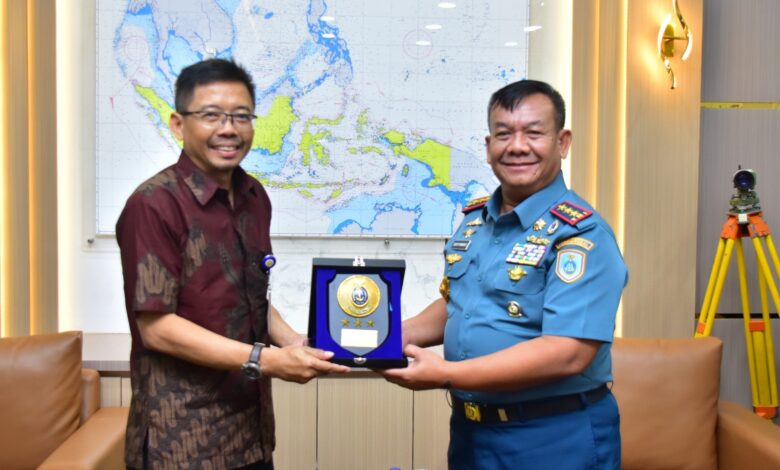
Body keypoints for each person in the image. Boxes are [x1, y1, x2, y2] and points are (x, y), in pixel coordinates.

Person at [116, 58, 349, 470]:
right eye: (211, 115)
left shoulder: (254, 196)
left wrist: (293, 342)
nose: (229, 129)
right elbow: (157, 328)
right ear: (178, 124)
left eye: (241, 116)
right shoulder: (153, 204)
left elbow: (250, 295)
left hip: (250, 431)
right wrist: (268, 360)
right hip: (182, 441)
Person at [383, 80, 628, 469]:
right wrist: (392, 336)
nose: (517, 146)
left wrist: (447, 373)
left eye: (533, 133)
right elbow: (460, 304)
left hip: (552, 438)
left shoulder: (581, 235)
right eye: (504, 134)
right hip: (472, 435)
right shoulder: (475, 221)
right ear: (488, 146)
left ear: (562, 142)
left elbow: (568, 353)